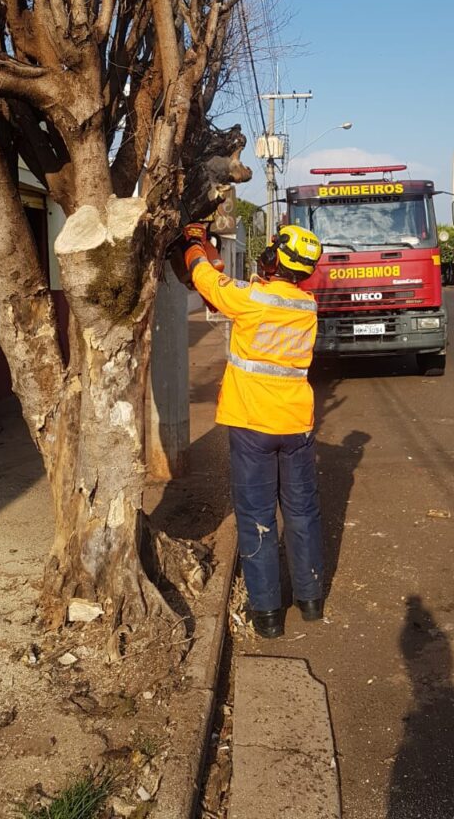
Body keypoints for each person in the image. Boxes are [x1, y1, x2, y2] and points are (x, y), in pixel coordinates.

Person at [174, 222, 324, 640]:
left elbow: (205, 278)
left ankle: (267, 615)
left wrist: (195, 243)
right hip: (296, 424)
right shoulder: (307, 306)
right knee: (302, 512)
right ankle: (311, 600)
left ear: (274, 258)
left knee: (257, 516)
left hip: (252, 424)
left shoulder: (250, 299)